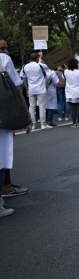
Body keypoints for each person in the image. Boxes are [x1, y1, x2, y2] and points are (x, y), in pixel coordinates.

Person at [0, 49, 32, 217]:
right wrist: (25, 112)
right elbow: (16, 86)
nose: (5, 50)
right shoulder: (4, 59)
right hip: (2, 117)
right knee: (1, 159)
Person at [21, 52, 52, 129]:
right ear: (37, 58)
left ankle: (33, 124)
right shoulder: (41, 65)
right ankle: (43, 124)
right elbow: (49, 67)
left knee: (31, 107)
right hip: (41, 89)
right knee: (42, 107)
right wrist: (42, 58)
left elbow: (24, 79)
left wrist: (27, 88)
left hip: (31, 89)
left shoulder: (25, 66)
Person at [64, 58, 79, 127]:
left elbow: (64, 80)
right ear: (76, 64)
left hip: (69, 91)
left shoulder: (66, 72)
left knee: (72, 107)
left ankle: (74, 123)